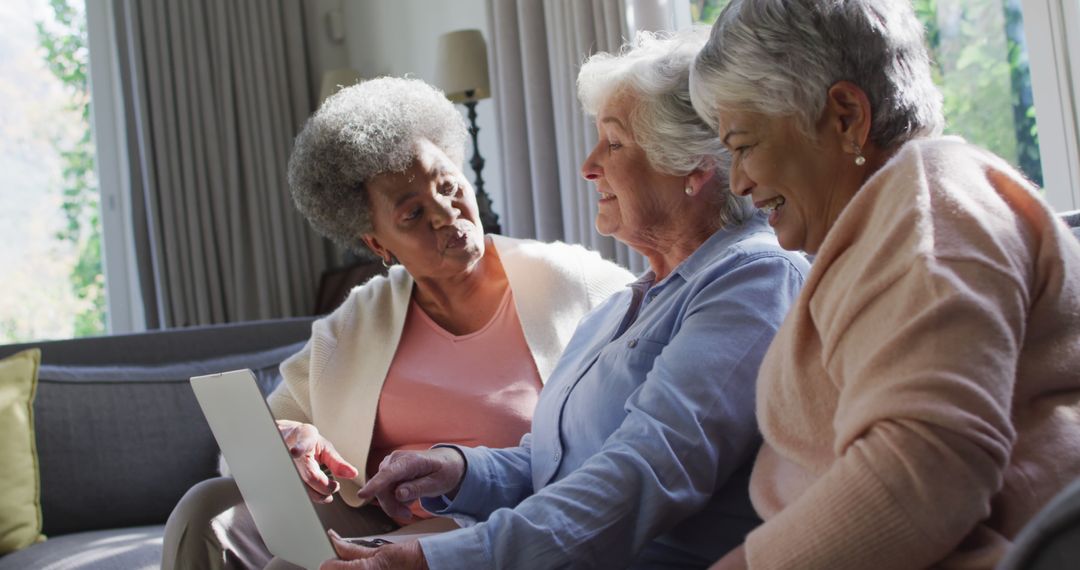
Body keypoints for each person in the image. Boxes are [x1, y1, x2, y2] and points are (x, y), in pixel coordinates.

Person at [322, 29, 809, 570]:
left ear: (692, 166)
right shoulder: (627, 304)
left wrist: (433, 561)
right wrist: (457, 470)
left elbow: (645, 473)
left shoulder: (753, 279)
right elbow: (554, 461)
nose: (589, 165)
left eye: (614, 142)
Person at [161, 77, 635, 569]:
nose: (445, 212)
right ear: (378, 245)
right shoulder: (357, 324)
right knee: (206, 511)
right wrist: (294, 442)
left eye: (449, 186)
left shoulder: (572, 282)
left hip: (492, 517)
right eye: (412, 214)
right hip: (374, 516)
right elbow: (257, 442)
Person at [688, 1, 1080, 568]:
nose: (741, 181)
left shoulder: (928, 199)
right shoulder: (883, 227)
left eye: (745, 145)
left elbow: (928, 468)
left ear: (846, 115)